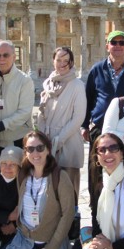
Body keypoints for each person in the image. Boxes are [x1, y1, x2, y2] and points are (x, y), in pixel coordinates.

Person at [81, 30, 124, 198]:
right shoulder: (97, 69)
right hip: (100, 130)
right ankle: (96, 218)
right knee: (96, 175)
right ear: (107, 46)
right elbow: (89, 98)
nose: (118, 46)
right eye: (114, 43)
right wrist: (84, 125)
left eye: (122, 43)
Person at [37, 47, 86, 201]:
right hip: (48, 143)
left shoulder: (77, 85)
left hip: (68, 144)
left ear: (71, 62)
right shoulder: (48, 84)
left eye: (66, 60)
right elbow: (41, 112)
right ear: (53, 61)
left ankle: (71, 225)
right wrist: (43, 137)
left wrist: (58, 140)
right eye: (59, 60)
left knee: (69, 196)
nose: (62, 64)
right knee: (49, 196)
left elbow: (78, 118)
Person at [0, 40, 35, 163]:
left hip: (18, 140)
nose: (2, 58)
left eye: (6, 55)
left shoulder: (25, 81)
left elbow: (24, 113)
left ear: (14, 57)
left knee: (19, 180)